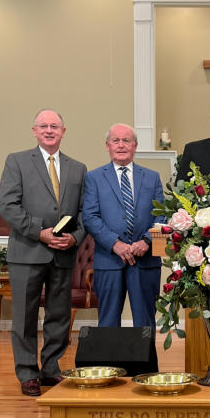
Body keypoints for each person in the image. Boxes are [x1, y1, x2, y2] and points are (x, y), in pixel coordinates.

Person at [0, 109, 87, 397]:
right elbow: (8, 206)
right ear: (34, 130)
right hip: (27, 252)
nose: (49, 130)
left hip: (63, 254)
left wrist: (74, 238)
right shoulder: (17, 161)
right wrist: (39, 232)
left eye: (55, 126)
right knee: (24, 316)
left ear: (63, 132)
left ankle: (50, 368)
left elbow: (84, 212)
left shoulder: (78, 168)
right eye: (44, 126)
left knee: (59, 316)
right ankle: (27, 373)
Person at [82, 123, 164, 328]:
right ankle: (110, 353)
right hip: (109, 260)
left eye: (126, 140)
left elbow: (162, 216)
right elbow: (90, 217)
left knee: (145, 324)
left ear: (135, 146)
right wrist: (115, 244)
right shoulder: (93, 177)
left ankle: (145, 354)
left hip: (145, 260)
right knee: (108, 323)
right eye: (115, 140)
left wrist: (147, 241)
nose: (121, 145)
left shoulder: (152, 177)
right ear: (107, 145)